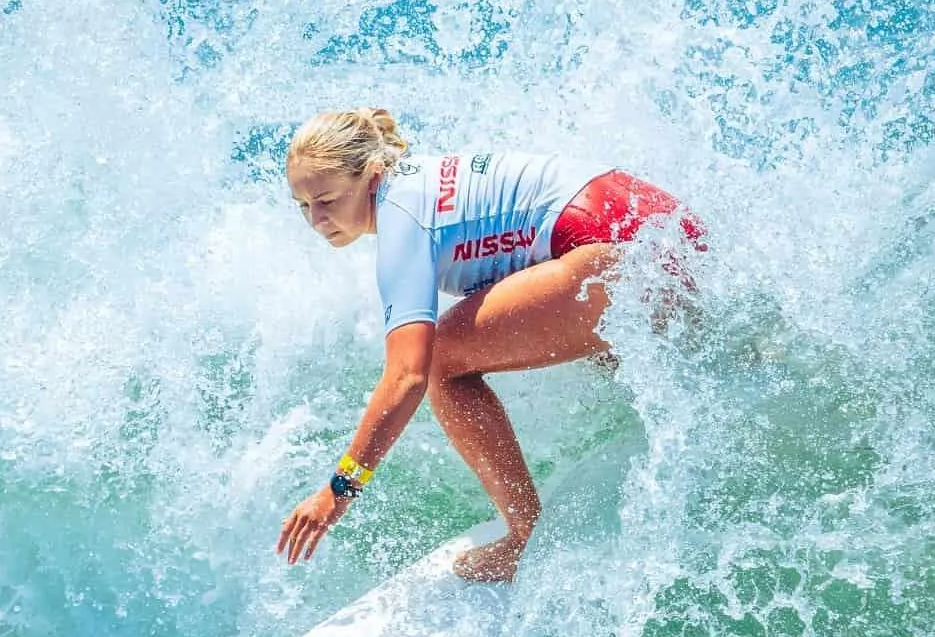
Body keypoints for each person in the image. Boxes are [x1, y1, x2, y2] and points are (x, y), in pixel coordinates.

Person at [274, 107, 705, 582]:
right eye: (303, 206)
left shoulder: (401, 218)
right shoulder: (419, 184)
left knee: (442, 361)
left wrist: (340, 489)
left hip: (618, 251)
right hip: (663, 232)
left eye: (328, 200)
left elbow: (408, 376)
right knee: (588, 333)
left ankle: (525, 539)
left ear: (372, 177)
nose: (316, 219)